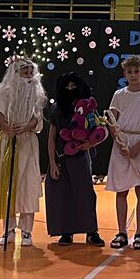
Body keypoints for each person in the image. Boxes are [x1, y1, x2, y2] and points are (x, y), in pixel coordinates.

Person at [0, 57, 47, 247]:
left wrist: (27, 126)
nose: (28, 75)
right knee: (8, 185)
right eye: (24, 71)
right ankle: (8, 230)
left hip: (27, 141)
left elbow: (37, 117)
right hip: (9, 141)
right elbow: (0, 114)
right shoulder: (7, 91)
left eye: (30, 71)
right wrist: (7, 128)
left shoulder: (37, 92)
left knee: (28, 185)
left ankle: (27, 231)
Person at [45, 71, 107, 246]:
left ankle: (91, 231)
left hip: (80, 157)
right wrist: (52, 163)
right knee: (62, 195)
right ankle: (66, 232)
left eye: (73, 85)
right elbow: (51, 138)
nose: (70, 89)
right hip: (61, 157)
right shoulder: (57, 109)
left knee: (85, 194)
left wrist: (90, 144)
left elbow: (100, 130)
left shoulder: (88, 106)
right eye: (67, 86)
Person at [106, 55, 140, 251]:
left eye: (137, 71)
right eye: (129, 72)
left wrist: (138, 146)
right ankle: (121, 232)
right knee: (121, 191)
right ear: (124, 74)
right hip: (122, 144)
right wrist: (119, 142)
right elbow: (111, 121)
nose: (133, 75)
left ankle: (139, 233)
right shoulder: (119, 95)